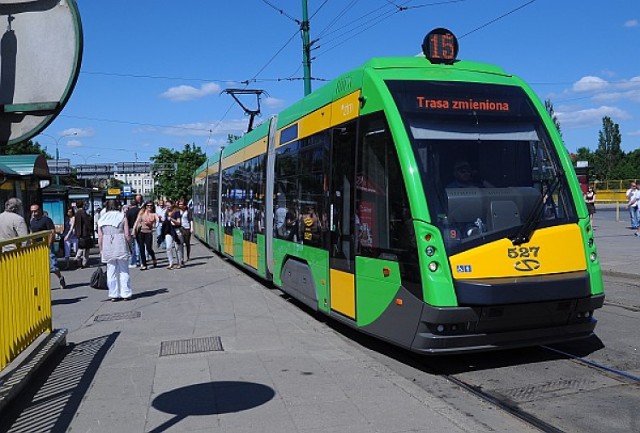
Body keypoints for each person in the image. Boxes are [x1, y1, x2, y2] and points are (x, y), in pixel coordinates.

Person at [98, 200, 132, 301]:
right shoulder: (122, 217)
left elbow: (100, 236)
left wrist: (101, 250)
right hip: (120, 242)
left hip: (107, 243)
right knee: (123, 269)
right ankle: (125, 293)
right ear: (117, 206)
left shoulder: (101, 219)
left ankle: (113, 294)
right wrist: (130, 245)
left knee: (111, 270)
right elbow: (127, 234)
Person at [29, 203, 66, 289]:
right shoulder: (32, 221)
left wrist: (49, 244)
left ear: (39, 210)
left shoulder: (46, 220)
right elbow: (31, 233)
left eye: (35, 211)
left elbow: (52, 232)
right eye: (32, 212)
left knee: (53, 266)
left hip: (46, 246)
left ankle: (60, 277)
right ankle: (42, 284)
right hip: (36, 247)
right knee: (39, 267)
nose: (34, 213)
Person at [134, 200, 158, 270]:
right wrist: (133, 231)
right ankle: (144, 264)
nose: (149, 207)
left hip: (148, 232)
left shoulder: (154, 214)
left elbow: (157, 222)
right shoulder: (142, 212)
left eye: (151, 206)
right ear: (145, 206)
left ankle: (153, 258)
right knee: (141, 248)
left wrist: (151, 225)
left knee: (148, 248)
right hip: (141, 232)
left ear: (153, 206)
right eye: (148, 205)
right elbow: (137, 221)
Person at [162, 200, 183, 269]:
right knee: (168, 247)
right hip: (169, 231)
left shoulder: (177, 212)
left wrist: (171, 219)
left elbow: (179, 222)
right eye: (166, 205)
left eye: (168, 205)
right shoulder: (166, 212)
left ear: (172, 205)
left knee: (178, 247)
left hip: (176, 230)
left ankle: (179, 262)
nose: (167, 207)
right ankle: (171, 263)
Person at [74, 200, 92, 268]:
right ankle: (84, 262)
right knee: (87, 248)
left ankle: (77, 258)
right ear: (83, 205)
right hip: (85, 232)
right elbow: (87, 222)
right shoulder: (83, 212)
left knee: (81, 246)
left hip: (79, 233)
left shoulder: (76, 213)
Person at [126, 198, 142, 268]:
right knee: (140, 245)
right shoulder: (140, 211)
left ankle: (134, 262)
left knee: (132, 246)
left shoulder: (128, 211)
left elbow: (126, 221)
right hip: (139, 228)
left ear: (131, 204)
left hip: (131, 229)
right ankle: (142, 261)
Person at [177, 199, 193, 263]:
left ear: (185, 205)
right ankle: (181, 258)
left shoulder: (188, 211)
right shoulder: (178, 211)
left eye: (182, 204)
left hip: (187, 228)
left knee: (187, 243)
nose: (180, 206)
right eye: (179, 204)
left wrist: (192, 228)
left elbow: (190, 220)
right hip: (180, 228)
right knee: (181, 243)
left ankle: (188, 256)